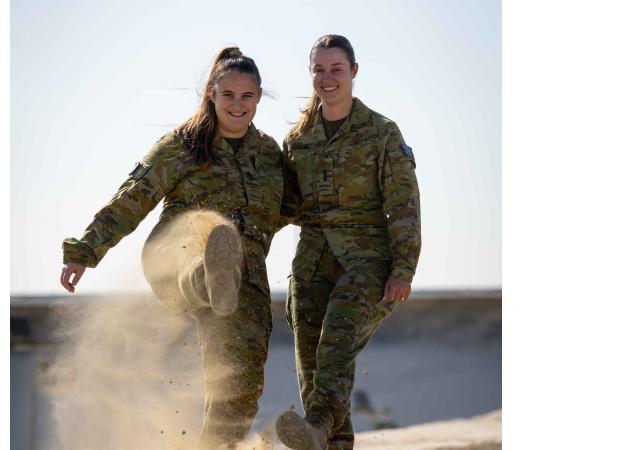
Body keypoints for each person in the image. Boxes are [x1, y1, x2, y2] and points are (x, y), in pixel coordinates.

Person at [59, 47, 284, 450]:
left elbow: (299, 207)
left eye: (246, 96)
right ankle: (206, 275)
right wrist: (85, 250)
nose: (237, 105)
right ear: (211, 93)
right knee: (205, 235)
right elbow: (132, 198)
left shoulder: (269, 154)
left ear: (258, 98)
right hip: (176, 253)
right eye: (228, 95)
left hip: (243, 279)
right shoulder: (182, 145)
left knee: (241, 379)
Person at [275, 35, 422, 450]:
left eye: (336, 69)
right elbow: (287, 207)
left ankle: (317, 425)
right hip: (311, 266)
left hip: (367, 264)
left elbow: (404, 205)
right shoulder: (298, 139)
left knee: (334, 349)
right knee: (311, 367)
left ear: (354, 71)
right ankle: (326, 439)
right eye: (319, 70)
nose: (327, 78)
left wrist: (403, 269)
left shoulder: (381, 133)